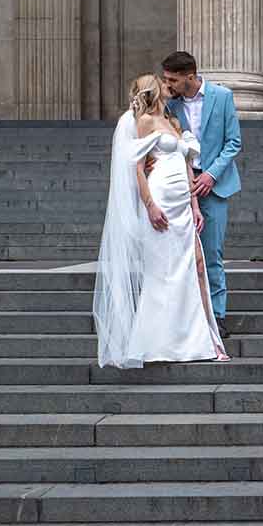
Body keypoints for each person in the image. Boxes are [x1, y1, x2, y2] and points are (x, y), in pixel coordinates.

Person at [93, 75, 228, 367]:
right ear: (153, 90)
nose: (169, 84)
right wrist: (150, 205)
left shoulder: (173, 122)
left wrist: (195, 206)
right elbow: (138, 169)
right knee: (164, 271)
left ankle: (205, 337)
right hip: (161, 201)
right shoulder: (143, 122)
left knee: (197, 266)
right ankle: (161, 343)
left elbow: (187, 164)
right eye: (163, 82)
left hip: (183, 202)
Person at [162, 51, 242, 335]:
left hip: (215, 184)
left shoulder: (222, 97)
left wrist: (210, 174)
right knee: (180, 254)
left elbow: (233, 142)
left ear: (191, 76)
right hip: (178, 184)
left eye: (173, 79)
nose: (168, 84)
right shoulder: (169, 104)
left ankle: (216, 316)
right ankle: (187, 317)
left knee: (212, 253)